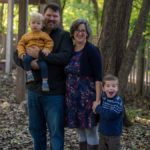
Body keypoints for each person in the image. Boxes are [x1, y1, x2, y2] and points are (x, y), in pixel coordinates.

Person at [14, 3, 73, 150]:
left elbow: (65, 58)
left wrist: (40, 55)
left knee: (56, 132)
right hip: (34, 90)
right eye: (49, 15)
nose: (52, 18)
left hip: (54, 94)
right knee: (36, 129)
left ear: (59, 18)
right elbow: (16, 55)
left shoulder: (63, 36)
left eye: (55, 16)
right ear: (43, 15)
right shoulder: (32, 33)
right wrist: (29, 63)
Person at [65, 19, 103, 150]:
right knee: (80, 131)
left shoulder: (92, 50)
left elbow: (98, 78)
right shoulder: (70, 49)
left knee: (91, 131)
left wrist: (97, 101)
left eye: (83, 30)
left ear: (87, 33)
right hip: (72, 99)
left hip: (88, 99)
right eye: (77, 30)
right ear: (73, 33)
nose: (80, 33)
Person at [17, 12, 53, 91]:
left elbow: (49, 42)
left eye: (38, 23)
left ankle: (45, 82)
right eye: (33, 23)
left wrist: (46, 49)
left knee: (44, 66)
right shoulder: (26, 35)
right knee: (25, 59)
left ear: (42, 25)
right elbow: (20, 44)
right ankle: (29, 74)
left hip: (40, 56)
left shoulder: (44, 34)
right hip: (29, 55)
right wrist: (22, 53)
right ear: (29, 24)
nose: (35, 25)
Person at [92, 74, 124, 150]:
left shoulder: (118, 101)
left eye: (114, 86)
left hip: (114, 134)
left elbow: (110, 115)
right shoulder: (103, 98)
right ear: (103, 88)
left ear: (117, 88)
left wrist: (97, 108)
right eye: (108, 86)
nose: (111, 88)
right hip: (103, 132)